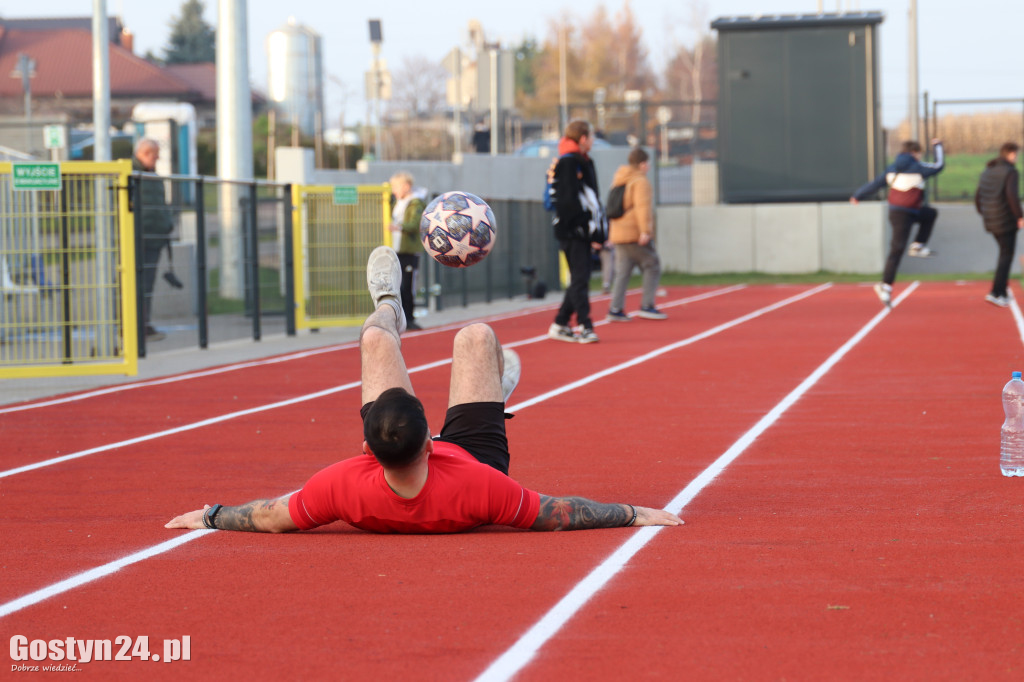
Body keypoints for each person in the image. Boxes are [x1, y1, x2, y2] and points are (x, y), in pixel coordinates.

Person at [166, 246, 682, 534]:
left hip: (411, 452)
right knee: (476, 337)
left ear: (367, 448)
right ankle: (489, 398)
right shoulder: (481, 486)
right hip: (475, 454)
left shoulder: (344, 483)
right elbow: (553, 512)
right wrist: (634, 513)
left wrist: (210, 514)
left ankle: (389, 302)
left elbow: (273, 516)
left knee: (373, 338)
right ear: (431, 441)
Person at [850, 139, 945, 307]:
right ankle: (884, 285)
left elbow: (875, 184)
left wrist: (858, 195)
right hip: (904, 215)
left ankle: (918, 245)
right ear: (915, 153)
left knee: (929, 214)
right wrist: (938, 146)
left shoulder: (891, 169)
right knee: (897, 249)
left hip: (900, 212)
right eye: (919, 153)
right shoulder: (918, 167)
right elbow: (939, 166)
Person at [548, 120, 605, 344]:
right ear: (582, 138)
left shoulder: (583, 161)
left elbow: (592, 199)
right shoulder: (569, 162)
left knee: (579, 280)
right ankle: (585, 325)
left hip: (581, 230)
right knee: (580, 279)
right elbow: (567, 201)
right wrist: (584, 226)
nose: (592, 141)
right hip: (572, 231)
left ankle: (561, 322)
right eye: (590, 136)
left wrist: (596, 232)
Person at [605, 148, 666, 322]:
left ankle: (615, 308)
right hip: (633, 232)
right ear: (642, 164)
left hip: (618, 232)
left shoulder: (619, 178)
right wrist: (645, 231)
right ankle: (647, 305)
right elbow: (642, 208)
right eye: (647, 163)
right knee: (652, 264)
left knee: (622, 272)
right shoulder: (640, 181)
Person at [132, 138, 175, 341]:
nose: (157, 159)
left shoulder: (152, 177)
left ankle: (144, 324)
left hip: (154, 239)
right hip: (138, 239)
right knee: (135, 284)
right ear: (145, 153)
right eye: (155, 155)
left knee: (147, 284)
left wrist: (167, 224)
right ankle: (134, 327)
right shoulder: (132, 174)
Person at [975, 142, 1024, 307]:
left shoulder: (987, 171)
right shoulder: (1011, 172)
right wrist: (1020, 216)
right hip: (1006, 220)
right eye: (1016, 154)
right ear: (1010, 154)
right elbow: (1012, 195)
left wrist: (985, 213)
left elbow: (977, 197)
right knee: (1006, 256)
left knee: (1004, 254)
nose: (1017, 158)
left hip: (991, 220)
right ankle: (996, 292)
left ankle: (999, 292)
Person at [389, 171, 428, 331]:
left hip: (409, 250)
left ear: (406, 186)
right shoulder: (397, 202)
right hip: (396, 249)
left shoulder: (415, 203)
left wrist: (398, 227)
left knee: (407, 285)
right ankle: (400, 319)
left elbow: (414, 225)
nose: (393, 190)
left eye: (396, 187)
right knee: (397, 285)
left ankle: (410, 318)